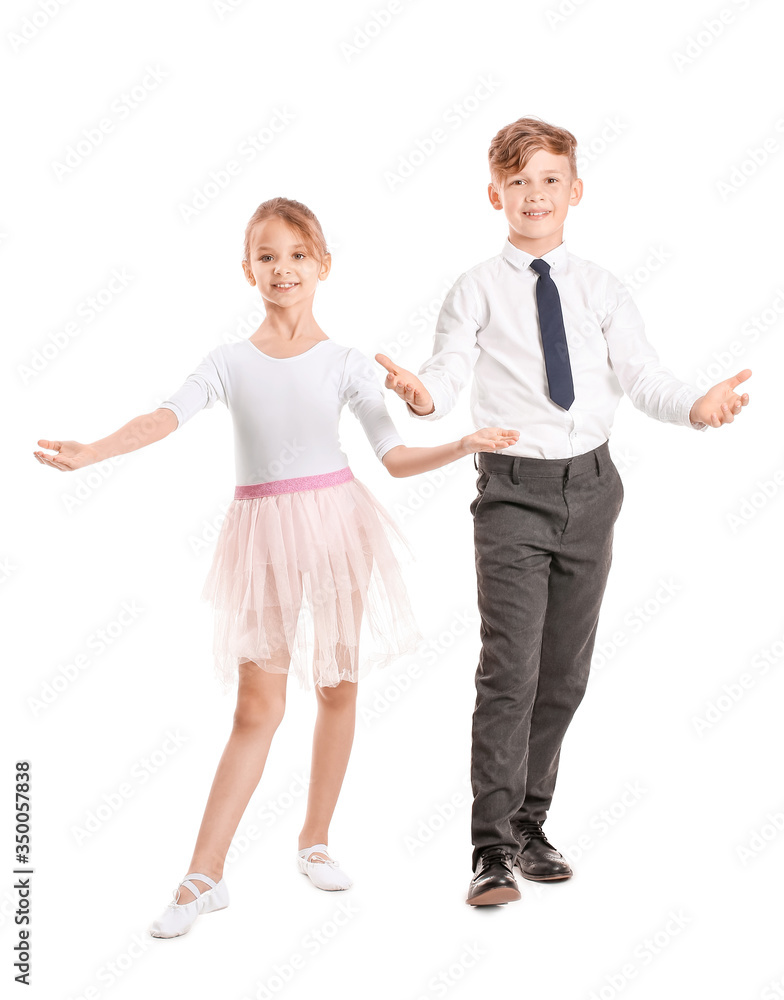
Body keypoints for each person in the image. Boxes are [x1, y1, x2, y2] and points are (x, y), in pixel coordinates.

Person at [32, 196, 519, 936]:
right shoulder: (228, 361)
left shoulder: (349, 361)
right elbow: (166, 415)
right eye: (267, 256)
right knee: (256, 706)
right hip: (260, 534)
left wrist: (461, 444)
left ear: (323, 265)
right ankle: (205, 872)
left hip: (336, 526)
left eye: (297, 255)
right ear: (247, 269)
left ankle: (314, 838)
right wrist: (94, 449)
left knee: (337, 684)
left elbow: (393, 457)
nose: (282, 268)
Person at [376, 117, 752, 906]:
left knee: (562, 675)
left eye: (550, 179)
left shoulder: (602, 288)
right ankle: (488, 849)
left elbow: (644, 376)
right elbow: (446, 370)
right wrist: (423, 395)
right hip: (511, 492)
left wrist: (697, 407)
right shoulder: (475, 287)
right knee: (509, 672)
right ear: (495, 195)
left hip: (591, 490)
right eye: (519, 182)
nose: (535, 195)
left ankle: (528, 826)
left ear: (575, 191)